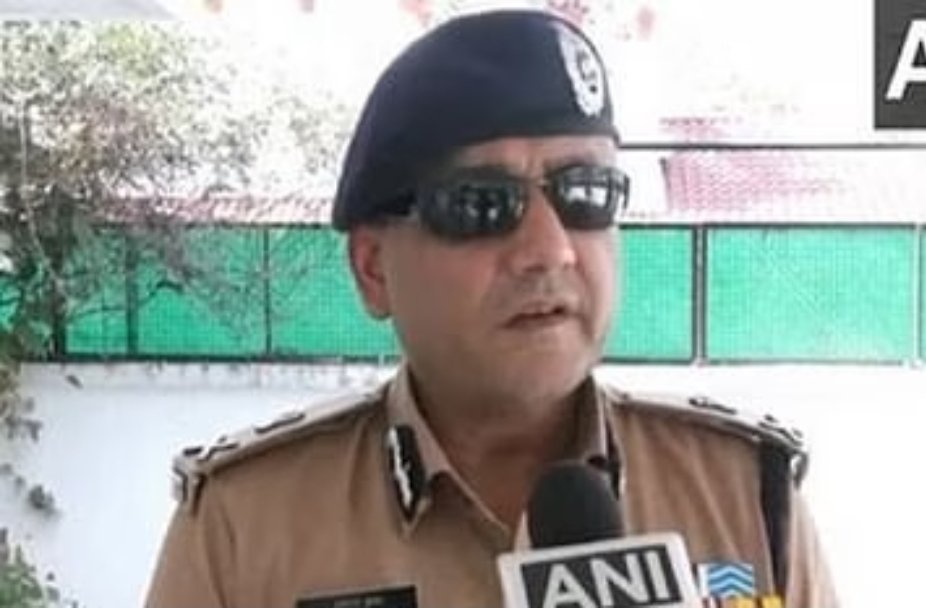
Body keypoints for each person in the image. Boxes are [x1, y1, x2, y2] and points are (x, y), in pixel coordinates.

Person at [145, 9, 837, 608]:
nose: (550, 250)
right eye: (480, 204)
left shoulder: (747, 495)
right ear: (374, 268)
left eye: (586, 191)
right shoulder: (244, 526)